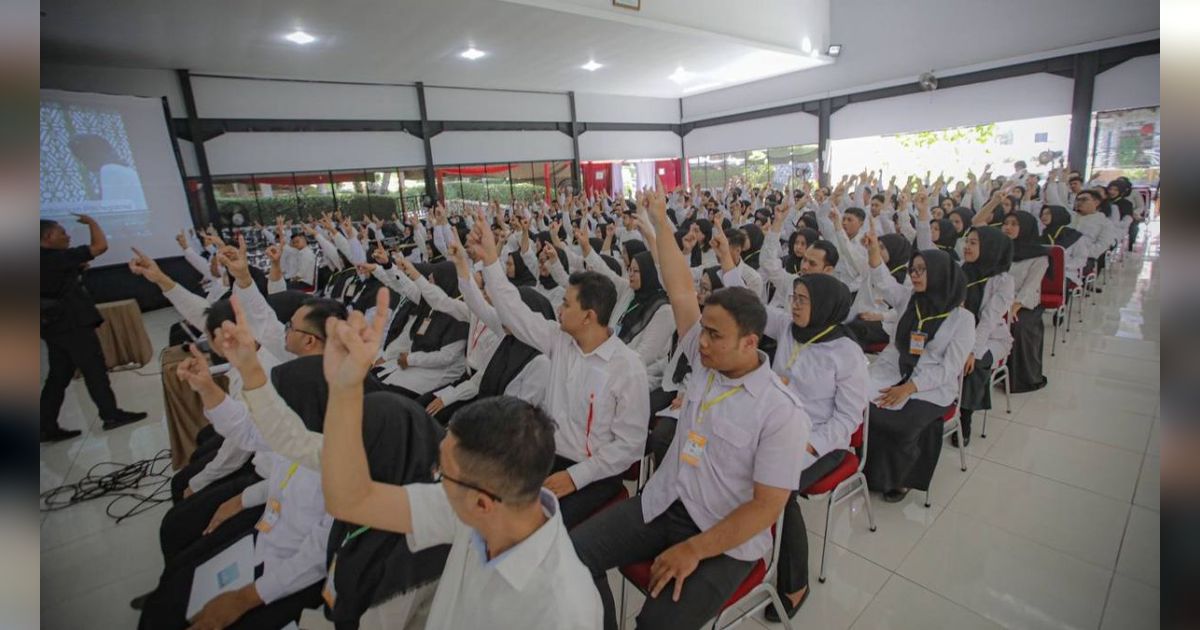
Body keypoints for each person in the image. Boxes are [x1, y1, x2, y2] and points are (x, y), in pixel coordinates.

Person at [571, 186, 808, 630]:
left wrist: (696, 549)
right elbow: (679, 289)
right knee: (573, 555)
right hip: (666, 500)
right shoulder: (706, 363)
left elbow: (766, 507)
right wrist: (659, 219)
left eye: (714, 335)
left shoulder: (781, 412)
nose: (700, 343)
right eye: (703, 331)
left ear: (750, 343)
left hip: (724, 535)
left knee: (657, 625)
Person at [314, 291, 602, 628]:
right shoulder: (473, 509)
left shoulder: (562, 611)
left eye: (442, 474)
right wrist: (344, 389)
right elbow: (350, 500)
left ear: (482, 503)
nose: (435, 478)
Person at [473, 218, 650, 529]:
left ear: (588, 317)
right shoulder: (560, 341)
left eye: (566, 304)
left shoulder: (627, 367)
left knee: (536, 529)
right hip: (549, 456)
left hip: (595, 472)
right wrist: (490, 260)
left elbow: (630, 446)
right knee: (491, 502)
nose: (559, 309)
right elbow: (514, 310)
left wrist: (576, 477)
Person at [762, 274, 868, 621]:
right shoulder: (791, 329)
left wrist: (810, 445)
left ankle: (795, 583)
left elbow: (848, 420)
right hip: (778, 427)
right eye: (794, 297)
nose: (793, 305)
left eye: (802, 300)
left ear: (823, 305)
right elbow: (754, 311)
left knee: (779, 487)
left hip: (824, 442)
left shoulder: (846, 353)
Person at [861, 237, 973, 503]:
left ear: (940, 274)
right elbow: (883, 280)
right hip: (894, 370)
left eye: (922, 270)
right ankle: (867, 468)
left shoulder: (963, 320)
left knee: (901, 424)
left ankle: (901, 478)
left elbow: (949, 369)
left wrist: (909, 388)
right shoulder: (909, 299)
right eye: (913, 270)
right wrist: (874, 249)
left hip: (930, 386)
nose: (915, 275)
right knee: (864, 405)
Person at [40, 215, 146, 442]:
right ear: (47, 237)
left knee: (58, 375)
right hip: (72, 324)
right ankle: (111, 415)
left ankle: (45, 424)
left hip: (53, 325)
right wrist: (91, 223)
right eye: (62, 233)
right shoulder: (55, 258)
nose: (67, 236)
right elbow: (100, 246)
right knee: (94, 369)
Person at [951, 227, 1015, 447]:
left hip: (990, 339)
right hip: (958, 333)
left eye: (974, 243)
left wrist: (971, 351)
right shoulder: (960, 270)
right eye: (967, 242)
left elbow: (987, 321)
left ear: (990, 248)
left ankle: (964, 416)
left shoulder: (1003, 281)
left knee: (973, 364)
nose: (967, 247)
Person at [1005, 212, 1051, 393]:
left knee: (1018, 326)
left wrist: (1014, 307)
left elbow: (1030, 286)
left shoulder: (1039, 256)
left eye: (1014, 224)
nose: (1008, 227)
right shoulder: (1001, 249)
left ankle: (1023, 379)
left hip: (1025, 303)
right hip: (1000, 298)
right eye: (1006, 223)